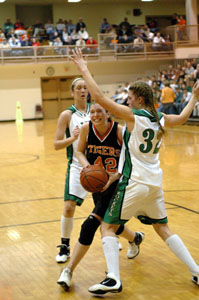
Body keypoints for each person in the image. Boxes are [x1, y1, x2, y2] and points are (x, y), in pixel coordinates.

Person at [70, 48, 199, 294]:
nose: (127, 101)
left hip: (135, 182)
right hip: (154, 183)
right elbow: (182, 117)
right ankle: (196, 270)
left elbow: (98, 97)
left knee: (107, 226)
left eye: (129, 97)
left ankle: (113, 279)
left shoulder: (134, 116)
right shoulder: (159, 117)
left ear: (139, 99)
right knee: (163, 228)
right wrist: (194, 96)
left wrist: (83, 68)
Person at [57, 102, 144, 289]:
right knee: (111, 225)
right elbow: (79, 151)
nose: (95, 115)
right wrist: (87, 166)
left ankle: (68, 270)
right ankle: (135, 238)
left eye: (99, 111)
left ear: (108, 113)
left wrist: (112, 179)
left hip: (116, 185)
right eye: (93, 111)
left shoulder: (119, 132)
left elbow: (128, 162)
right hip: (98, 186)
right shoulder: (87, 128)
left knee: (90, 225)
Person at [54, 78, 90, 263]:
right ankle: (65, 246)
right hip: (77, 165)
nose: (82, 90)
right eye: (78, 88)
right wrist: (72, 138)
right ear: (72, 92)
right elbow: (56, 144)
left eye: (85, 87)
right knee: (69, 207)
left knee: (106, 208)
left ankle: (116, 237)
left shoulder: (98, 111)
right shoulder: (67, 115)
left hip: (98, 167)